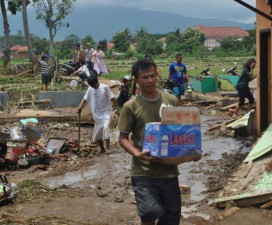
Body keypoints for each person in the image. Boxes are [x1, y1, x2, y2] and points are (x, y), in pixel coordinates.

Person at [118, 57, 200, 225]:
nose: (150, 80)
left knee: (171, 218)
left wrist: (191, 150)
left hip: (169, 171)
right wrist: (137, 154)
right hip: (143, 170)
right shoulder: (130, 106)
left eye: (152, 76)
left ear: (157, 74)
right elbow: (123, 138)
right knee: (150, 211)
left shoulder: (171, 100)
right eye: (145, 77)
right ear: (137, 80)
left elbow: (180, 132)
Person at [78, 76, 117, 153]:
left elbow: (113, 98)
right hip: (96, 115)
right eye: (91, 86)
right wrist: (80, 107)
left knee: (106, 127)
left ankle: (108, 148)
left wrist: (116, 109)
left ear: (97, 82)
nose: (93, 87)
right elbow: (85, 99)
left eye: (94, 85)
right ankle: (102, 149)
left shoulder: (105, 88)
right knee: (98, 134)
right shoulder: (90, 89)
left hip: (106, 113)